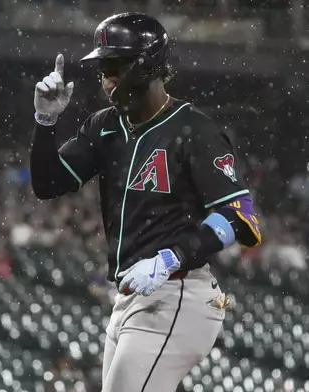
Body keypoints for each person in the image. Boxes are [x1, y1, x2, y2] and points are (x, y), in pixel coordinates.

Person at [29, 12, 261, 392]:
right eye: (102, 66)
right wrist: (45, 122)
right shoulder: (103, 125)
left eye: (113, 65)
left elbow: (239, 217)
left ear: (145, 65)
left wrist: (171, 258)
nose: (105, 77)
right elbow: (48, 184)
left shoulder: (194, 128)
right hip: (130, 300)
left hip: (180, 295)